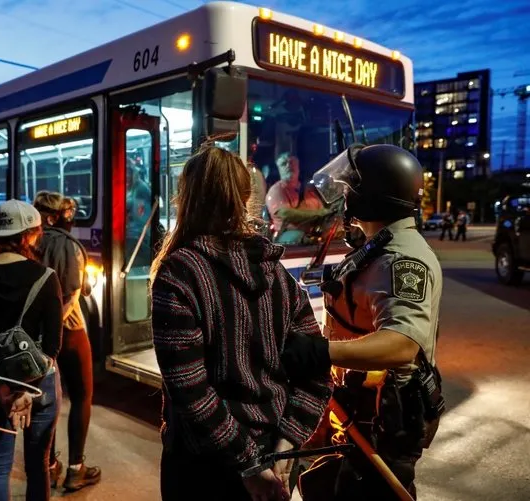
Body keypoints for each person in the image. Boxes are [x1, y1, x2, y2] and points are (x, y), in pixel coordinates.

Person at [151, 145, 333, 501]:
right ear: (246, 198)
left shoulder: (179, 272)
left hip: (202, 466)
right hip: (272, 460)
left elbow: (190, 390)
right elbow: (316, 368)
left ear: (185, 197)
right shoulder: (278, 275)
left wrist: (250, 466)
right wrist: (286, 442)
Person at [283, 144, 444, 500]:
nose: (344, 198)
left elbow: (402, 344)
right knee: (320, 486)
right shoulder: (379, 248)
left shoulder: (402, 259)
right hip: (359, 413)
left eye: (349, 189)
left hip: (384, 423)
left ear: (374, 196)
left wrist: (320, 352)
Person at [0, 199, 64, 501]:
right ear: (28, 235)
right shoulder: (46, 278)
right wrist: (27, 390)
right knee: (38, 466)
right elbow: (53, 345)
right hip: (40, 384)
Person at [33, 191, 101, 491]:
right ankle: (75, 468)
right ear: (53, 217)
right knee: (82, 396)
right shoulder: (69, 245)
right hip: (69, 331)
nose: (70, 218)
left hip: (35, 334)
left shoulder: (28, 242)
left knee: (45, 401)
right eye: (66, 213)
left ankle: (47, 467)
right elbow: (75, 293)